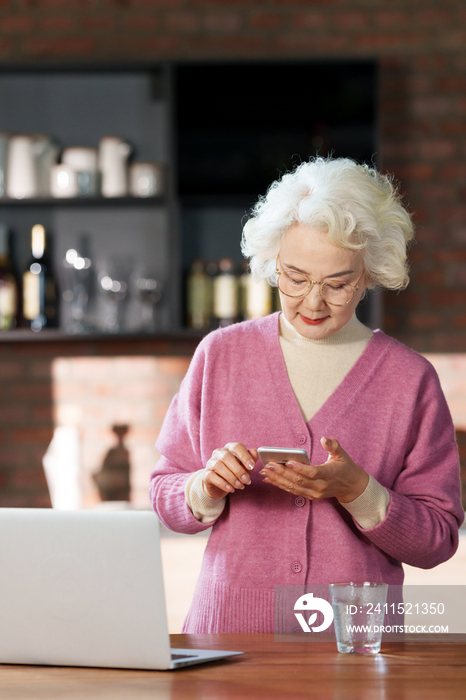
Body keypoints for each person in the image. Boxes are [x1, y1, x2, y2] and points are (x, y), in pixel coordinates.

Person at [149, 157, 464, 634]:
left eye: (338, 284)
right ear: (274, 262)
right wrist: (205, 486)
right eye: (295, 278)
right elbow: (164, 491)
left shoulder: (409, 379)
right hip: (231, 637)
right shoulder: (220, 356)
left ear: (369, 273)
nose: (313, 302)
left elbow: (438, 539)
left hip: (356, 646)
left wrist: (360, 491)